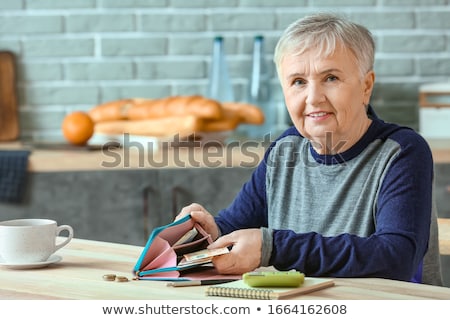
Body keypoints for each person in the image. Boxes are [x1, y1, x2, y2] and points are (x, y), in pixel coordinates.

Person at [177, 13, 443, 285]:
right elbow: (237, 229)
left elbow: (396, 259)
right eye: (298, 82)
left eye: (331, 78)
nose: (314, 98)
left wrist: (276, 248)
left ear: (366, 86)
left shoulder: (401, 152)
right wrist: (210, 232)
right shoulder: (284, 150)